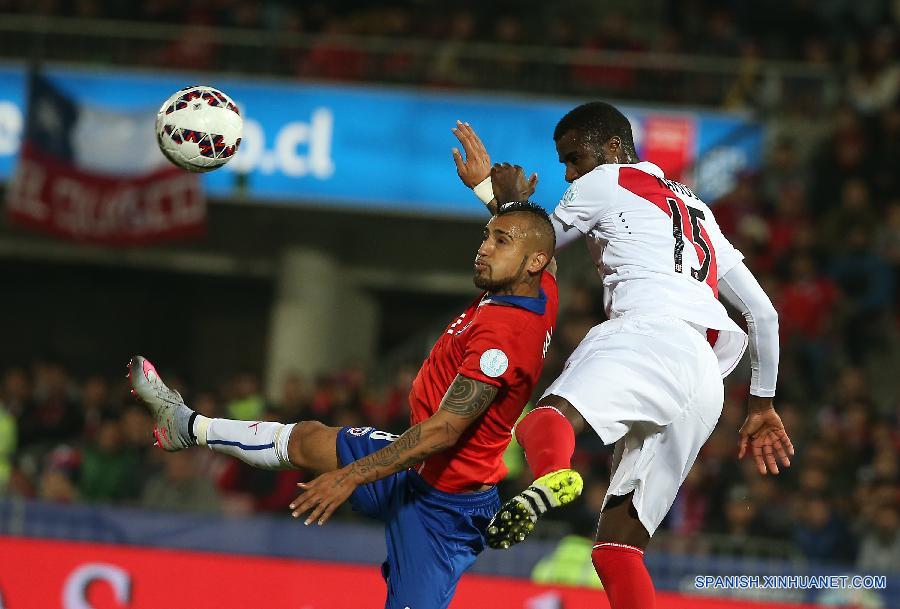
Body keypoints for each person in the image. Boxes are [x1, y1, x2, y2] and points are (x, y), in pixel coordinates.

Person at [128, 201, 572, 609]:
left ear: (530, 262)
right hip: (413, 468)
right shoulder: (539, 287)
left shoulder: (505, 337)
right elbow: (539, 242)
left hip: (446, 510)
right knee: (306, 440)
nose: (483, 248)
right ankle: (184, 425)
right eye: (487, 235)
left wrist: (349, 477)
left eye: (499, 241)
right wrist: (489, 191)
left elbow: (442, 432)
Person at [451, 104, 793, 609]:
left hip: (644, 333)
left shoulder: (607, 180)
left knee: (541, 423)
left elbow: (533, 248)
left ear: (611, 148)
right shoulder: (698, 209)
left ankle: (551, 477)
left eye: (574, 158)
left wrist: (493, 196)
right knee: (617, 550)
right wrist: (761, 405)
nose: (569, 173)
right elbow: (764, 315)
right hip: (703, 378)